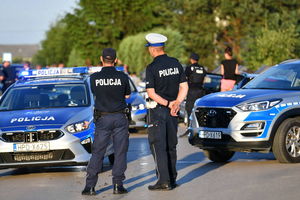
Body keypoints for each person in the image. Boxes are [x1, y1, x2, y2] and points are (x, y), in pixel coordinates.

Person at [82, 48, 131, 196]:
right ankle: (117, 185)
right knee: (120, 152)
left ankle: (90, 187)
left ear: (101, 59)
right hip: (119, 117)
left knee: (98, 152)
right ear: (115, 60)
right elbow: (127, 95)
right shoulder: (122, 77)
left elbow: (96, 93)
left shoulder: (94, 78)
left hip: (102, 118)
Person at [145, 33, 188, 190]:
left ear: (153, 49)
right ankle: (172, 179)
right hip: (173, 112)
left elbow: (151, 93)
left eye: (149, 48)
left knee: (158, 145)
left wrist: (169, 103)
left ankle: (163, 181)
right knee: (171, 145)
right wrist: (177, 103)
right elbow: (184, 87)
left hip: (159, 111)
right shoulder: (175, 63)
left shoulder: (152, 67)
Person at [180, 53, 206, 137]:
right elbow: (204, 78)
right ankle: (200, 128)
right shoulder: (202, 68)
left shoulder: (189, 68)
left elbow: (184, 78)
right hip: (200, 91)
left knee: (189, 109)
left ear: (191, 59)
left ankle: (189, 129)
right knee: (199, 110)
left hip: (192, 91)